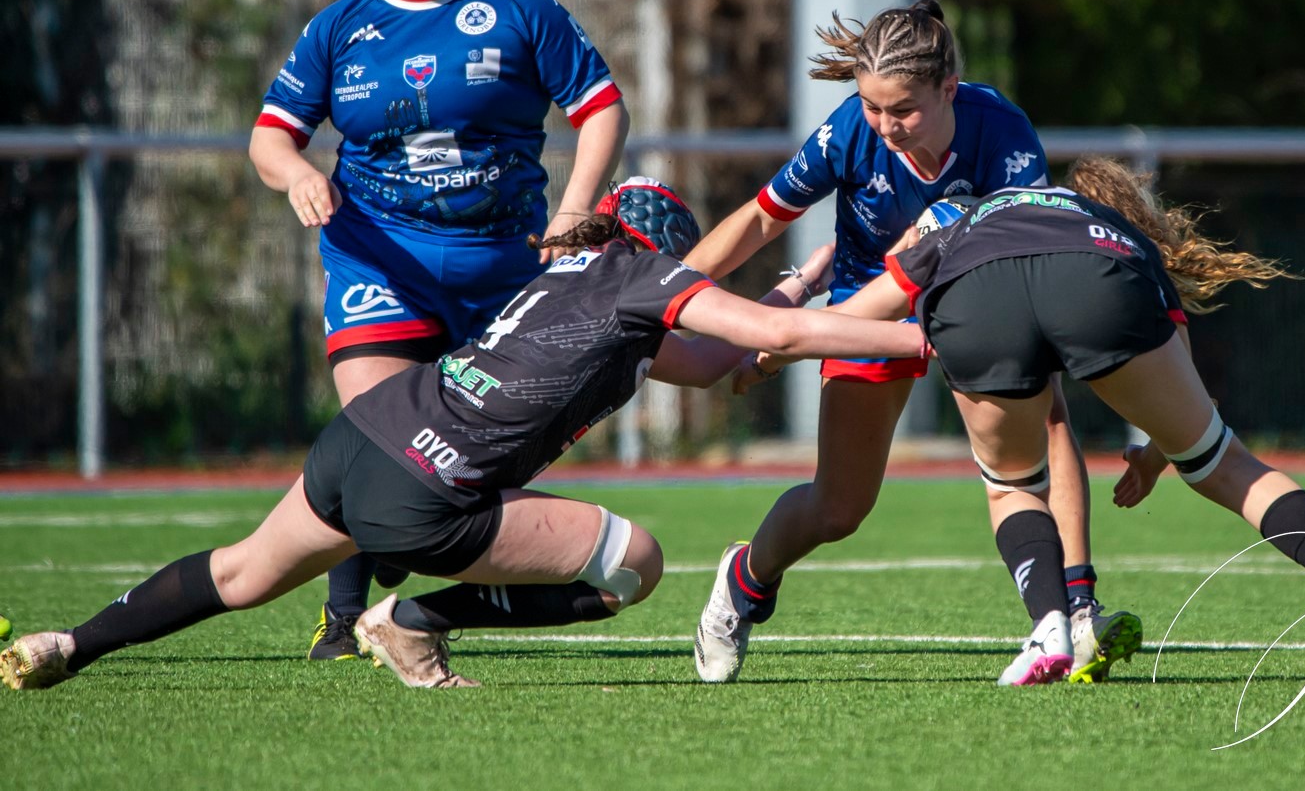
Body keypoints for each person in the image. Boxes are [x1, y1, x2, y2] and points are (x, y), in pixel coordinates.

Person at [0, 181, 928, 692]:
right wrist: (911, 331)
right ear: (665, 253)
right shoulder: (646, 282)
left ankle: (69, 644)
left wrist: (799, 286)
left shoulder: (567, 277)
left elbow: (719, 358)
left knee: (241, 573)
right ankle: (410, 622)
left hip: (367, 433)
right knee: (635, 566)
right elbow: (766, 344)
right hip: (430, 490)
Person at [746, 161, 1305, 686]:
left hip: (977, 295)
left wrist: (775, 346)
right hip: (1099, 283)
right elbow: (1177, 369)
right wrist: (1152, 451)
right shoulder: (1117, 235)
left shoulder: (954, 223)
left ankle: (1051, 631)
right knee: (1229, 466)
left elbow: (853, 317)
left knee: (1013, 486)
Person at [687, 0, 1140, 685]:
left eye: (902, 109)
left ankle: (1078, 607)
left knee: (1047, 420)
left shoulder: (1003, 134)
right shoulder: (850, 132)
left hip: (978, 300)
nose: (885, 126)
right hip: (867, 311)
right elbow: (759, 219)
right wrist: (671, 291)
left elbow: (1015, 259)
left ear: (948, 87)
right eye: (872, 106)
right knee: (839, 508)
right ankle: (744, 580)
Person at [249, 0, 632, 659]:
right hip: (379, 261)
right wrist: (296, 176)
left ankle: (425, 589)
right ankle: (344, 615)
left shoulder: (521, 7)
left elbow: (601, 110)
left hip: (501, 269)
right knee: (379, 432)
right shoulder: (341, 25)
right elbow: (271, 134)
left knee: (466, 457)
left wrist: (572, 212)